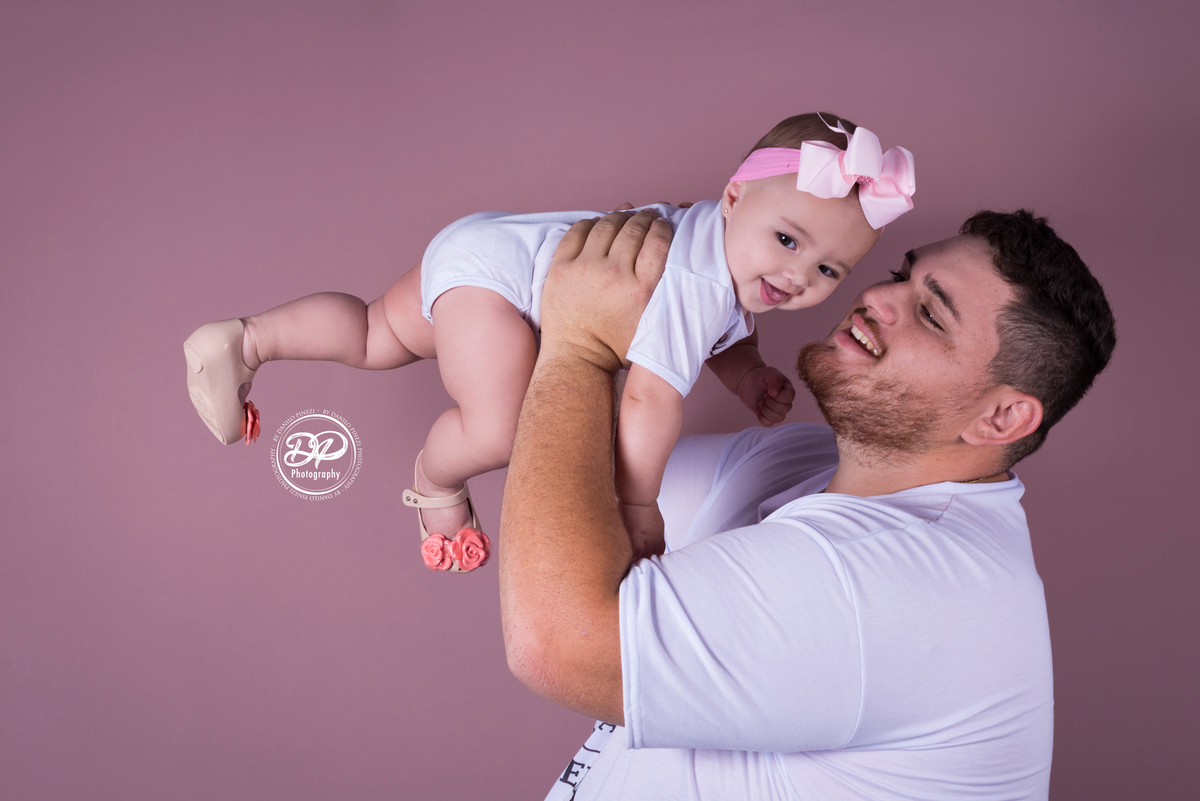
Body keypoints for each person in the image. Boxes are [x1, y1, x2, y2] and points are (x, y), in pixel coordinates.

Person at [499, 206, 1116, 800]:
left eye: (931, 313)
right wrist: (659, 298)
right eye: (902, 275)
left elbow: (558, 643)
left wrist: (581, 344)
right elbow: (572, 481)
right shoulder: (811, 464)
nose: (879, 297)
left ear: (1002, 417)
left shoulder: (885, 580)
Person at [181, 113, 916, 568]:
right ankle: (436, 480)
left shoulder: (718, 253)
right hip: (502, 289)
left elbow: (721, 337)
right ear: (733, 197)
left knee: (377, 330)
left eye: (827, 268)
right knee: (500, 428)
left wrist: (748, 374)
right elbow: (652, 398)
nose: (796, 275)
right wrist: (637, 506)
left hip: (491, 244)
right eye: (786, 240)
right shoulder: (698, 284)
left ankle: (245, 339)